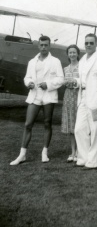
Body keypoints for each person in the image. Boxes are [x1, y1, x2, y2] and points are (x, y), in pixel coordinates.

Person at [10, 35, 64, 165]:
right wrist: (29, 83)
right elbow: (27, 77)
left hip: (48, 95)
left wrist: (48, 84)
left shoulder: (55, 61)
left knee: (47, 123)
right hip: (35, 95)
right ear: (38, 46)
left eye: (46, 45)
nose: (44, 47)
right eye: (42, 45)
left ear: (49, 46)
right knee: (28, 124)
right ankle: (22, 154)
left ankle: (44, 152)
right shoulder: (32, 62)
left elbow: (60, 78)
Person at [67, 33, 97, 170]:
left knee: (95, 130)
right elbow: (83, 81)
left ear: (96, 44)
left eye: (91, 43)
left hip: (96, 99)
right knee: (79, 129)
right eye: (86, 43)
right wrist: (75, 82)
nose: (88, 45)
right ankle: (83, 158)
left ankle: (93, 162)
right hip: (83, 97)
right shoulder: (82, 61)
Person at [61, 45, 80, 163]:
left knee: (79, 125)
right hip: (68, 97)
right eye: (70, 52)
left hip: (78, 96)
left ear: (78, 53)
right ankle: (73, 151)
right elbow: (64, 82)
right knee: (71, 125)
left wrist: (73, 82)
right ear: (68, 54)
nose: (72, 54)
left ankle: (79, 151)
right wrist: (66, 82)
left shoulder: (82, 67)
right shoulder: (65, 68)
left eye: (74, 52)